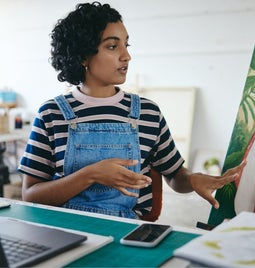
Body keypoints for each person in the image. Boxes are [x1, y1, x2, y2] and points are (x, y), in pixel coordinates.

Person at [19, 2, 245, 219]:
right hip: (67, 231)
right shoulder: (51, 114)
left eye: (127, 45)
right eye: (112, 46)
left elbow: (176, 175)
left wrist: (194, 179)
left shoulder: (148, 113)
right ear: (83, 56)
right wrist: (90, 174)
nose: (126, 56)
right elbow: (30, 196)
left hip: (127, 233)